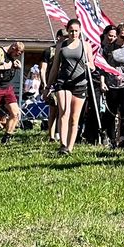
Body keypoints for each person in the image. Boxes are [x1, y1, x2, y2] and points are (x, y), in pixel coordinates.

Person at [45, 22, 91, 154]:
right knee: (64, 112)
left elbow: (92, 65)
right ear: (67, 31)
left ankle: (70, 147)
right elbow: (54, 68)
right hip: (63, 82)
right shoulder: (61, 45)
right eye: (71, 31)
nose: (74, 34)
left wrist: (89, 66)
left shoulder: (85, 45)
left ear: (80, 31)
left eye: (76, 31)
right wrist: (48, 86)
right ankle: (63, 145)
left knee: (74, 118)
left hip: (80, 84)